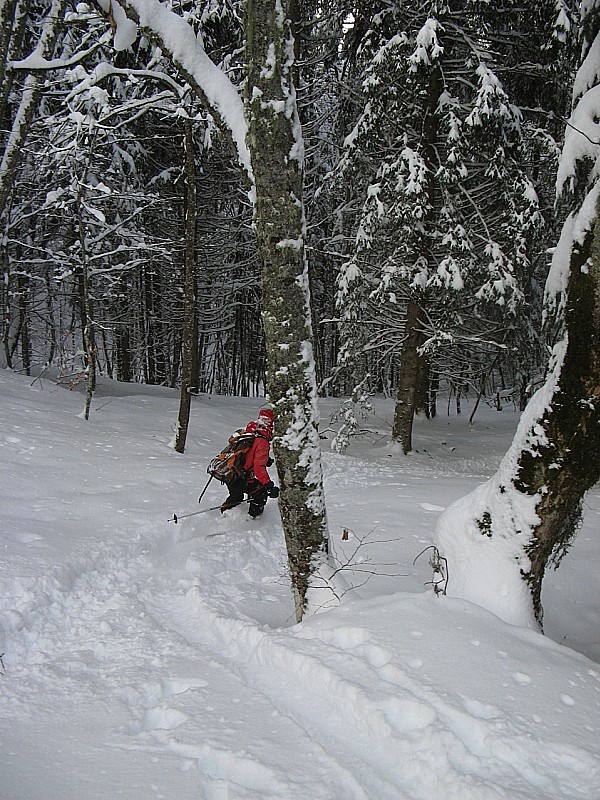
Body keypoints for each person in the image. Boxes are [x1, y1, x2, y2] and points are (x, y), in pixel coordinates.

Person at [221, 408, 279, 517]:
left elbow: (249, 453)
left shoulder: (250, 432)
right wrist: (268, 486)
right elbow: (258, 468)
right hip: (240, 477)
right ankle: (253, 519)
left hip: (229, 473)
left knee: (236, 496)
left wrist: (266, 460)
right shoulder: (263, 442)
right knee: (260, 493)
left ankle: (226, 514)